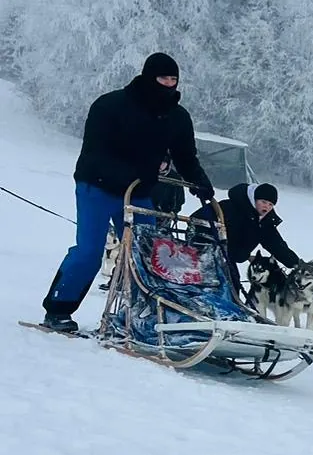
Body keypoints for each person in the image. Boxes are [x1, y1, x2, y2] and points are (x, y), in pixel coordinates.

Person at [40, 52, 214, 332]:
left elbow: (186, 156)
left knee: (146, 255)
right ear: (148, 77)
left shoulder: (177, 116)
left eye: (174, 79)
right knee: (90, 251)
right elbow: (96, 152)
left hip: (138, 193)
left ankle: (143, 316)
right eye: (163, 78)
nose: (169, 84)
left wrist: (201, 184)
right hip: (96, 185)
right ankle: (58, 309)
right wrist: (138, 172)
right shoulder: (111, 105)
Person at [192, 182, 300, 283]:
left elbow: (276, 244)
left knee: (232, 282)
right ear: (254, 199)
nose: (266, 207)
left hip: (228, 258)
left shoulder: (264, 222)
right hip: (206, 253)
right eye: (263, 202)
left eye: (271, 204)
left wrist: (296, 264)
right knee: (227, 281)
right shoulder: (230, 207)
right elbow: (197, 220)